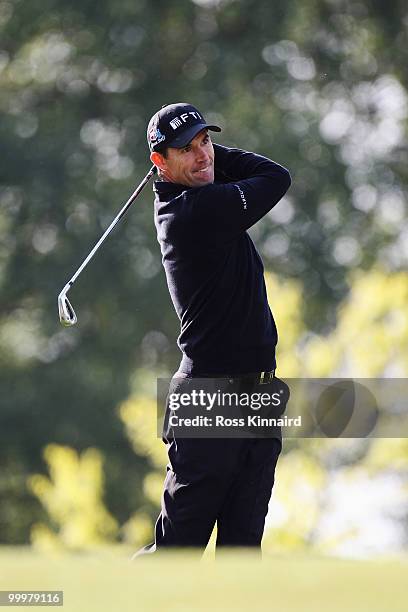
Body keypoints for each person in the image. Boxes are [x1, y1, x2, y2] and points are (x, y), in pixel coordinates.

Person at [135, 102, 291, 556]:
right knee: (176, 554)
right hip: (211, 397)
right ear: (159, 162)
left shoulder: (199, 195)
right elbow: (275, 177)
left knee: (241, 557)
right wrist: (209, 157)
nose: (204, 155)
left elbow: (257, 174)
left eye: (207, 141)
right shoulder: (191, 214)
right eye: (187, 149)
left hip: (258, 396)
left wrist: (197, 152)